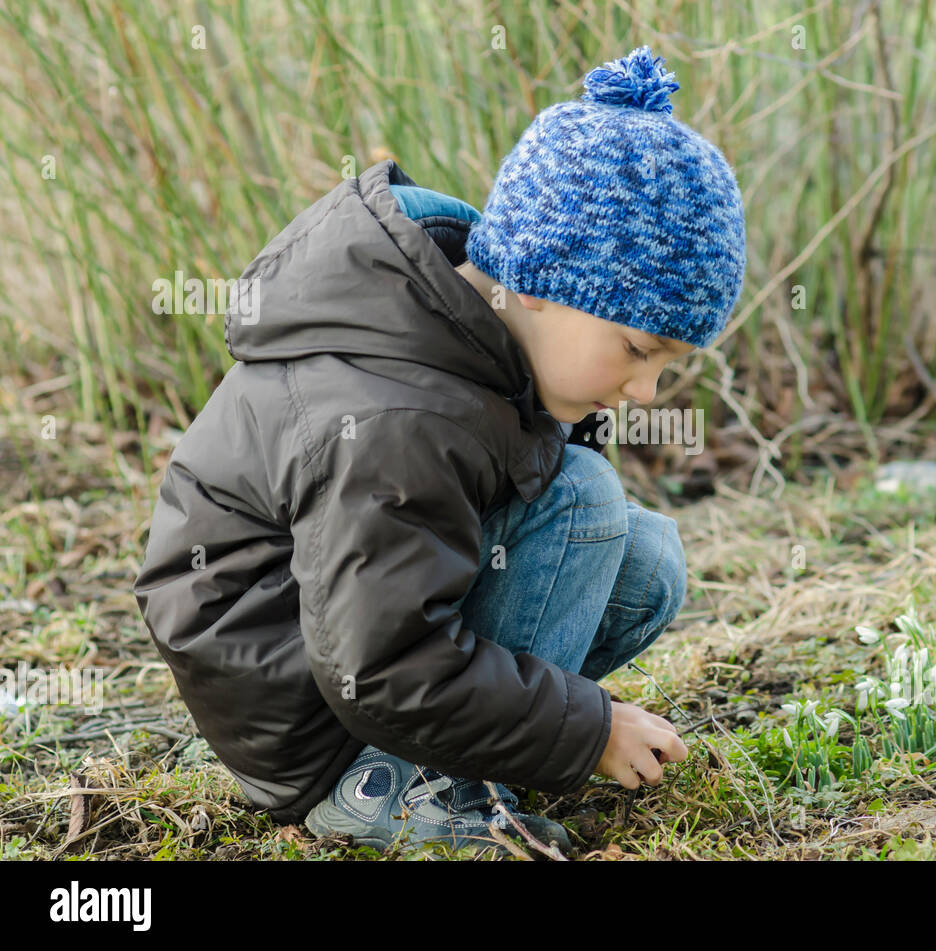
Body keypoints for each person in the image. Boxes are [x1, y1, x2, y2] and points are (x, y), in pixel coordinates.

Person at [132, 44, 746, 857]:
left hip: (352, 644)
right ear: (537, 277)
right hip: (304, 708)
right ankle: (386, 784)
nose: (646, 394)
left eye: (669, 365)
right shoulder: (390, 413)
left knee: (644, 564)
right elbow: (378, 663)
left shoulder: (481, 337)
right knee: (584, 501)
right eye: (638, 349)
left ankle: (466, 750)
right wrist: (589, 729)